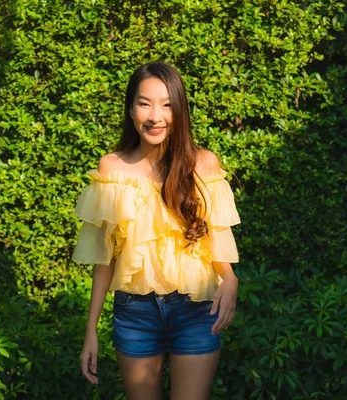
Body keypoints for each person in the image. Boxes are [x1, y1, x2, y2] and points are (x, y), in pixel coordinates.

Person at [72, 62, 241, 400]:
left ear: (179, 109)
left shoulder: (203, 165)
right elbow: (105, 259)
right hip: (135, 315)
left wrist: (231, 279)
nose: (155, 116)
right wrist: (91, 329)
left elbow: (215, 238)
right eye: (144, 103)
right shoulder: (112, 169)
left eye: (166, 104)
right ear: (131, 108)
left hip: (196, 310)